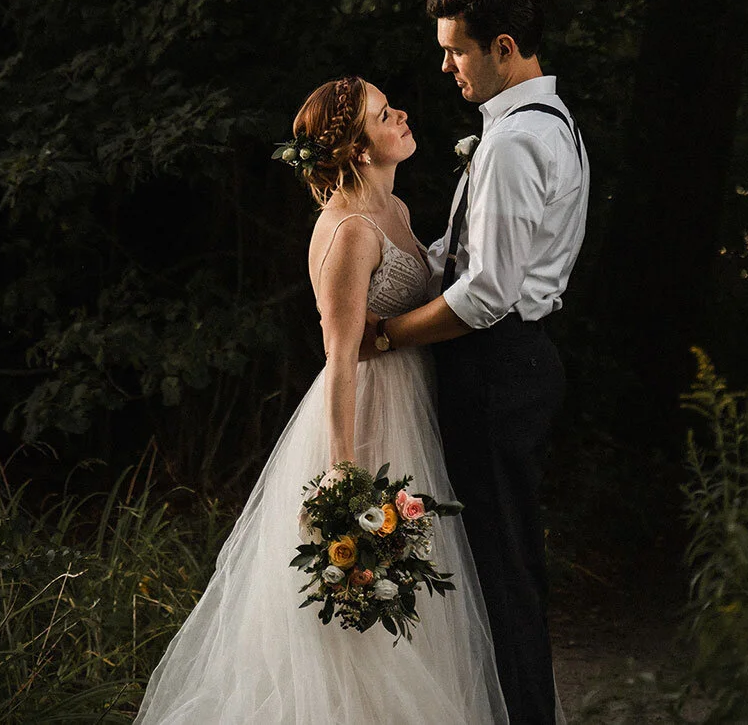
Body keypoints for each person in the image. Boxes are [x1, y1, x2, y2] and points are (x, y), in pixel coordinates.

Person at [135, 75, 508, 724]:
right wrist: (345, 477)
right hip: (368, 417)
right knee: (369, 599)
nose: (402, 115)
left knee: (416, 594)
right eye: (386, 114)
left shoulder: (395, 211)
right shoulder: (350, 233)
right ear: (361, 150)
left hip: (409, 395)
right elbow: (340, 360)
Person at [364, 0, 588, 725]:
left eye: (456, 51)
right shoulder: (539, 124)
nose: (446, 65)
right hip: (514, 362)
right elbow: (467, 253)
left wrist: (387, 334)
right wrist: (395, 263)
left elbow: (486, 295)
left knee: (499, 573)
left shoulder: (515, 142)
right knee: (499, 564)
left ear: (502, 45)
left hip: (497, 367)